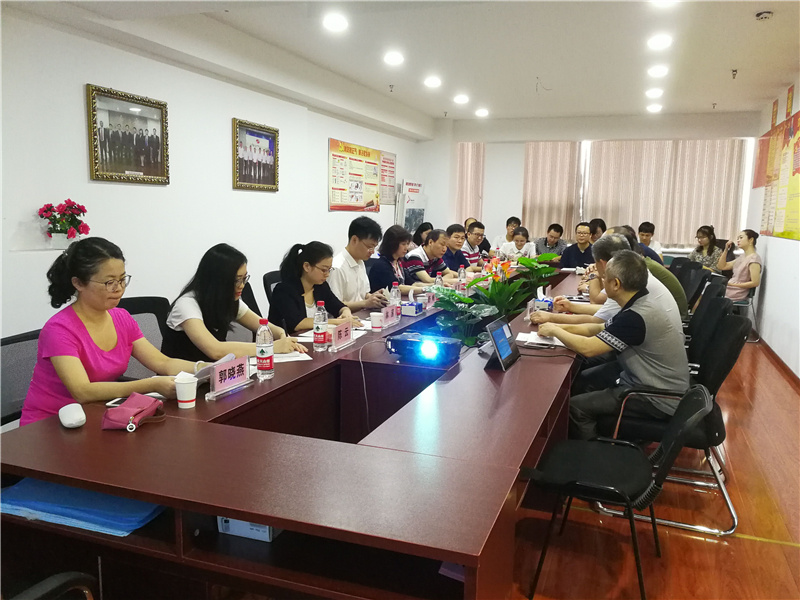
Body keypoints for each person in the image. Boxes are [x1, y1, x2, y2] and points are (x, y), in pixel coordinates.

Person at [21, 238, 201, 426]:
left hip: (97, 416)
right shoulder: (59, 329)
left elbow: (163, 362)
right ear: (78, 283)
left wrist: (204, 368)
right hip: (50, 425)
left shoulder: (122, 318)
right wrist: (151, 384)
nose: (119, 289)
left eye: (122, 280)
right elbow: (82, 391)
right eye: (109, 282)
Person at [538, 250, 690, 440]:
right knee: (584, 380)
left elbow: (588, 348)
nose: (601, 281)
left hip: (657, 397)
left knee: (576, 407)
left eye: (604, 278)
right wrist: (556, 325)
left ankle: (591, 453)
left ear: (616, 284)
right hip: (650, 383)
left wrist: (555, 331)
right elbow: (598, 328)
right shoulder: (640, 301)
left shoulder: (636, 316)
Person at [163, 244, 305, 363]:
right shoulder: (186, 305)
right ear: (217, 280)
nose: (242, 285)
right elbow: (215, 350)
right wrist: (271, 347)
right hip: (182, 381)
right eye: (237, 280)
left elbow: (264, 326)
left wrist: (281, 335)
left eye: (244, 279)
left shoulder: (229, 300)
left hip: (217, 376)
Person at [532, 233, 681, 329]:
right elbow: (606, 310)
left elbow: (597, 320)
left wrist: (551, 319)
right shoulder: (634, 271)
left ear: (602, 263)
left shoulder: (627, 281)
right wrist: (571, 306)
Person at [269, 242, 360, 333]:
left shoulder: (320, 286)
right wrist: (337, 322)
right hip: (289, 339)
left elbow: (337, 306)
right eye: (324, 270)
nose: (327, 274)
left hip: (315, 337)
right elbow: (298, 324)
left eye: (329, 270)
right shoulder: (284, 290)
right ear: (307, 267)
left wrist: (346, 312)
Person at [602, 225, 688, 319]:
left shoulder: (637, 268)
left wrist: (596, 275)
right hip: (664, 314)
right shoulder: (638, 261)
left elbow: (601, 305)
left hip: (674, 317)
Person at [328, 216, 389, 311]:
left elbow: (363, 294)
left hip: (361, 315)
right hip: (345, 318)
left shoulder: (360, 262)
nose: (372, 251)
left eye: (374, 247)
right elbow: (334, 305)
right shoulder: (337, 267)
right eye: (369, 247)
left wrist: (374, 297)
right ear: (354, 240)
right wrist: (365, 303)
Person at [368, 225, 427, 294]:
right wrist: (424, 289)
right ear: (392, 244)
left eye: (407, 244)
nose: (406, 248)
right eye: (403, 244)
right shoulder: (381, 265)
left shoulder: (399, 263)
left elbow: (412, 283)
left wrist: (432, 286)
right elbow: (398, 288)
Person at [719, 229, 762, 301]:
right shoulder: (742, 256)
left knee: (708, 294)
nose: (738, 240)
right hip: (729, 287)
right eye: (737, 238)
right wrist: (726, 250)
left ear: (751, 240)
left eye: (741, 238)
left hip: (737, 291)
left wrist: (733, 285)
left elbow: (755, 283)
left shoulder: (754, 259)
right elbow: (722, 266)